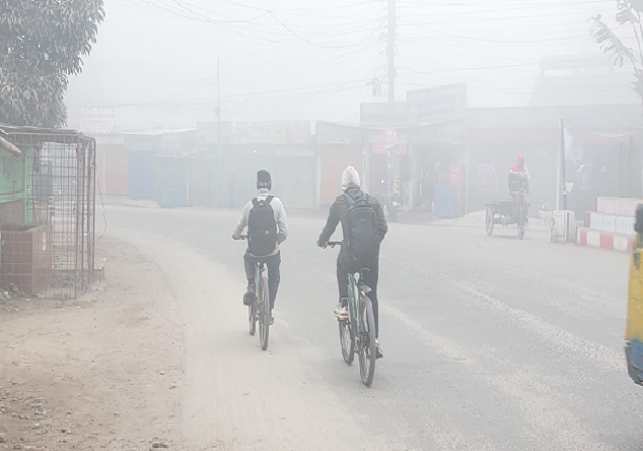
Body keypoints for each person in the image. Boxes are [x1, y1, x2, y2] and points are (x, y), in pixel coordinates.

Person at [317, 166, 387, 358]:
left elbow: (329, 228)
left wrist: (322, 241)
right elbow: (383, 227)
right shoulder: (372, 200)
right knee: (372, 296)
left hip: (350, 258)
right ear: (358, 183)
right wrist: (373, 244)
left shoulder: (340, 202)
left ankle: (345, 303)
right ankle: (375, 340)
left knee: (341, 264)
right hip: (371, 258)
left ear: (343, 185)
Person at [232, 170, 288, 324]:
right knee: (274, 276)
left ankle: (251, 284)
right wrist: (276, 241)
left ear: (257, 185)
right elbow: (284, 231)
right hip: (272, 251)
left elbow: (239, 226)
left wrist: (236, 235)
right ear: (270, 185)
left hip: (254, 251)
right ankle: (268, 310)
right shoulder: (276, 203)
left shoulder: (250, 205)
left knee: (247, 258)